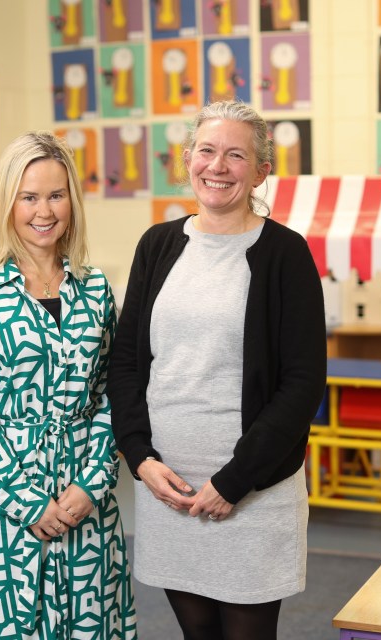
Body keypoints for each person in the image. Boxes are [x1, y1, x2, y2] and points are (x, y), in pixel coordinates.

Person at [108, 101, 327, 640]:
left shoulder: (285, 254)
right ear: (188, 159)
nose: (218, 166)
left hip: (253, 492)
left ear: (261, 172)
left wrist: (234, 481)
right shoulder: (158, 245)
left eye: (236, 155)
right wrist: (140, 459)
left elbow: (302, 386)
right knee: (197, 633)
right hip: (169, 491)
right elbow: (127, 363)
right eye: (207, 151)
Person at [0, 132, 137, 639]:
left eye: (56, 195)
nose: (43, 211)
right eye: (29, 197)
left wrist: (93, 482)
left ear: (71, 201)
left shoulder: (95, 288)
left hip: (84, 500)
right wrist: (28, 500)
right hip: (6, 505)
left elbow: (110, 394)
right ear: (7, 202)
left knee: (92, 626)